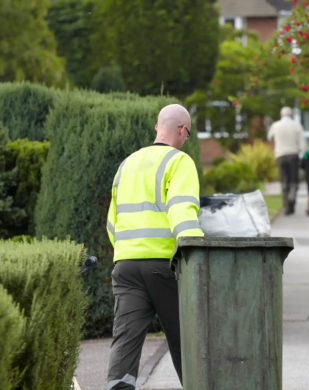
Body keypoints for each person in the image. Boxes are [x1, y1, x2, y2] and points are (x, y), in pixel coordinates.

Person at [106, 104, 204, 389]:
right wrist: (196, 253)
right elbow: (182, 210)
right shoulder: (179, 161)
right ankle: (199, 384)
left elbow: (113, 221)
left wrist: (127, 250)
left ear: (156, 128)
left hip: (125, 266)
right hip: (164, 265)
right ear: (182, 130)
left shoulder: (128, 163)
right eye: (188, 133)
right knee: (184, 335)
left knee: (125, 336)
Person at [267, 106, 306, 215]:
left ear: (281, 115)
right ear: (291, 114)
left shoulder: (276, 125)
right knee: (293, 180)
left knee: (284, 180)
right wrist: (302, 154)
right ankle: (291, 199)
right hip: (293, 155)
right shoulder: (296, 125)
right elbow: (302, 143)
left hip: (280, 155)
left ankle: (285, 205)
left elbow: (269, 136)